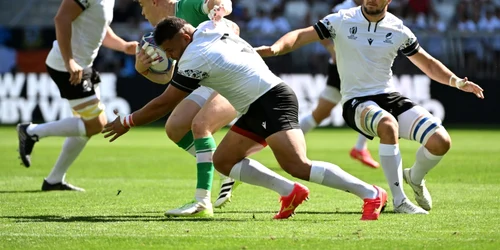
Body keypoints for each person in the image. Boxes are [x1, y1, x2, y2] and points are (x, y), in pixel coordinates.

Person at [102, 17, 388, 220]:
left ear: (184, 38)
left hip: (272, 99)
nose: (172, 56)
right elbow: (224, 20)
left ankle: (371, 192)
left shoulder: (194, 56)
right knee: (223, 160)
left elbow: (165, 102)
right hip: (255, 104)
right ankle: (289, 194)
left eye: (171, 50)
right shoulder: (209, 27)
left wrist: (127, 122)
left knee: (298, 164)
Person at [255, 0, 484, 214]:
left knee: (440, 141)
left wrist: (457, 82)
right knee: (387, 124)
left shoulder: (398, 29)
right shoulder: (342, 19)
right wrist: (275, 49)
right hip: (356, 101)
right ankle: (400, 200)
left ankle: (414, 177)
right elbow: (301, 35)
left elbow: (428, 63)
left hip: (389, 96)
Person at [133, 0, 241, 218]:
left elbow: (221, 6)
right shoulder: (167, 31)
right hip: (210, 82)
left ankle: (205, 197)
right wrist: (142, 69)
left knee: (200, 126)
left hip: (234, 76)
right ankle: (227, 170)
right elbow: (167, 77)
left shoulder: (187, 7)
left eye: (143, 6)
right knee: (175, 128)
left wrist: (221, 9)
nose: (143, 13)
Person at [16, 0, 138, 191]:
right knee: (96, 124)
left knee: (86, 126)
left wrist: (123, 46)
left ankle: (54, 179)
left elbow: (100, 28)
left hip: (83, 67)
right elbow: (61, 18)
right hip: (67, 67)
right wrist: (69, 61)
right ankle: (31, 132)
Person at [300, 0, 380, 169]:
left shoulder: (373, 8)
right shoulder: (343, 9)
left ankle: (287, 136)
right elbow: (320, 32)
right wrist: (332, 49)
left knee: (322, 112)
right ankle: (287, 137)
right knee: (375, 98)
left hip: (358, 66)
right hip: (344, 67)